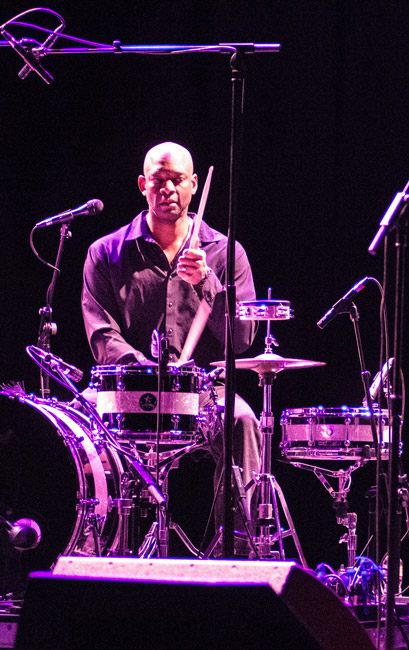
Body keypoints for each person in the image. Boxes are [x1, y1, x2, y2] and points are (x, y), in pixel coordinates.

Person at [81, 141, 260, 556]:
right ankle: (90, 552)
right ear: (143, 185)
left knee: (244, 422)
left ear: (194, 185)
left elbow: (245, 338)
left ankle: (236, 555)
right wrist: (143, 369)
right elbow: (101, 333)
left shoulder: (226, 253)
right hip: (127, 389)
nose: (167, 189)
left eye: (177, 180)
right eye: (158, 181)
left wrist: (208, 284)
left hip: (200, 393)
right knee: (80, 428)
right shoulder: (106, 252)